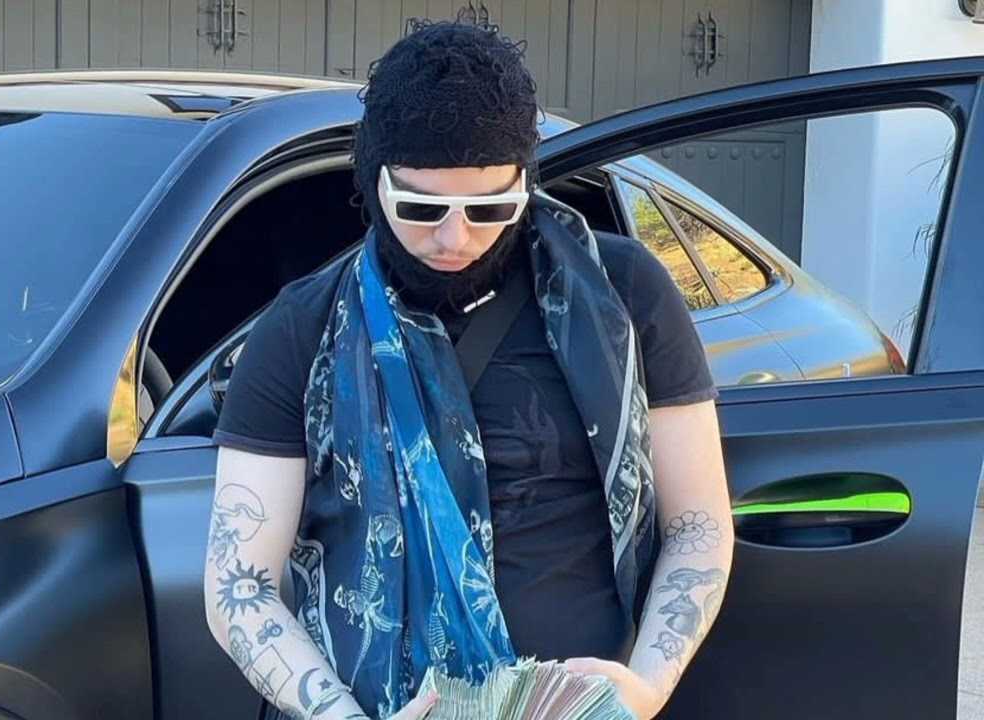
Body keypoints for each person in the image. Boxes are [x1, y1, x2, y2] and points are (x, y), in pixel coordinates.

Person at [203, 13, 734, 720]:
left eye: (489, 207)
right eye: (422, 207)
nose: (455, 237)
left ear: (525, 182)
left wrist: (642, 691)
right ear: (372, 181)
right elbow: (240, 583)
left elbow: (697, 524)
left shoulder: (625, 295)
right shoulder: (302, 327)